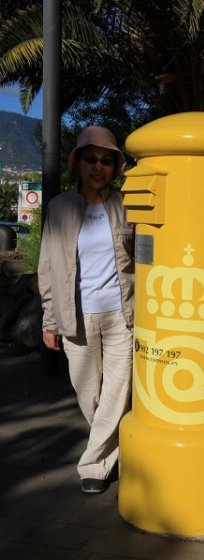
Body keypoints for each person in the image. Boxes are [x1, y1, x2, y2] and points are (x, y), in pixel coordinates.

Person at [38, 126, 134, 494]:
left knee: (117, 390)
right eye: (91, 159)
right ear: (77, 163)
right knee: (87, 392)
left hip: (121, 315)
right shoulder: (59, 206)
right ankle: (122, 449)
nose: (99, 167)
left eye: (107, 160)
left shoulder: (125, 203)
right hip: (75, 316)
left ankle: (93, 465)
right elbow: (47, 266)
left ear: (115, 166)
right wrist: (50, 320)